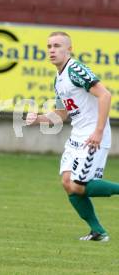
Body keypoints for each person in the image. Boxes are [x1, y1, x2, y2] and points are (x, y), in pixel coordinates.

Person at [26, 31, 119, 241]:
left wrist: (98, 131)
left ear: (69, 49)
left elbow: (105, 95)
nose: (52, 50)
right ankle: (98, 232)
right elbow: (61, 114)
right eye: (49, 46)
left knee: (78, 184)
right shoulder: (58, 80)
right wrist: (38, 119)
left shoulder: (75, 69)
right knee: (68, 183)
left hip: (93, 135)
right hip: (77, 136)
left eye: (57, 46)